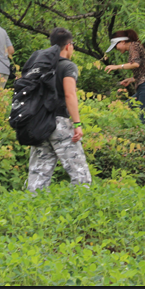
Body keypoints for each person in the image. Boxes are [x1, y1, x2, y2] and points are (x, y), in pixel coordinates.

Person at [26, 28, 92, 193]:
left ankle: (32, 212)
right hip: (60, 123)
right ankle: (80, 211)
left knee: (38, 175)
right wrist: (77, 123)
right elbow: (70, 95)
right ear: (69, 45)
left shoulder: (39, 66)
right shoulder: (68, 66)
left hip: (39, 123)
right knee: (80, 174)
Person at [103, 29, 145, 121]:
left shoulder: (134, 46)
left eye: (116, 46)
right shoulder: (134, 47)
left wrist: (117, 66)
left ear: (123, 42)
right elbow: (144, 71)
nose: (116, 49)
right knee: (124, 108)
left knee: (143, 119)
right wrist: (132, 79)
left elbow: (136, 64)